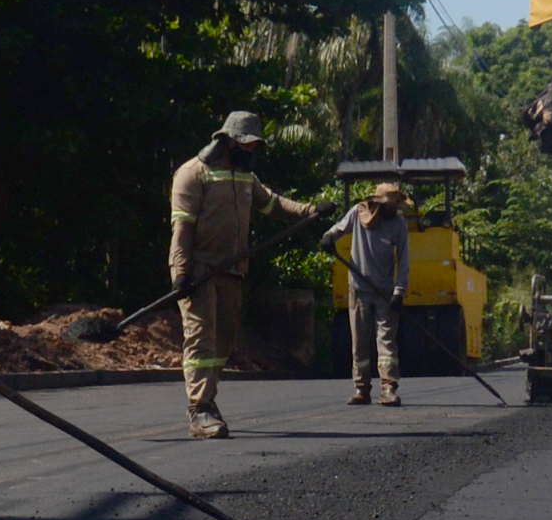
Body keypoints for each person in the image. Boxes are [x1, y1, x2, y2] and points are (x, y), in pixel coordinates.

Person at [167, 111, 314, 439]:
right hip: (199, 270)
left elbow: (273, 205)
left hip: (233, 270)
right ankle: (200, 410)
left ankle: (208, 400)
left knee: (224, 341)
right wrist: (181, 273)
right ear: (227, 140)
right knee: (201, 339)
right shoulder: (193, 174)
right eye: (246, 145)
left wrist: (309, 210)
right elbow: (182, 229)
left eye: (254, 147)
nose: (251, 152)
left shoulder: (245, 177)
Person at [328, 181, 411, 405]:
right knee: (360, 340)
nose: (396, 209)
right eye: (392, 205)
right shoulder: (358, 213)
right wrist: (329, 238)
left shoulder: (398, 224)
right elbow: (338, 229)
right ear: (381, 204)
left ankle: (389, 387)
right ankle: (361, 388)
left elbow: (403, 260)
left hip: (385, 291)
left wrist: (399, 292)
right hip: (359, 288)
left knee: (386, 341)